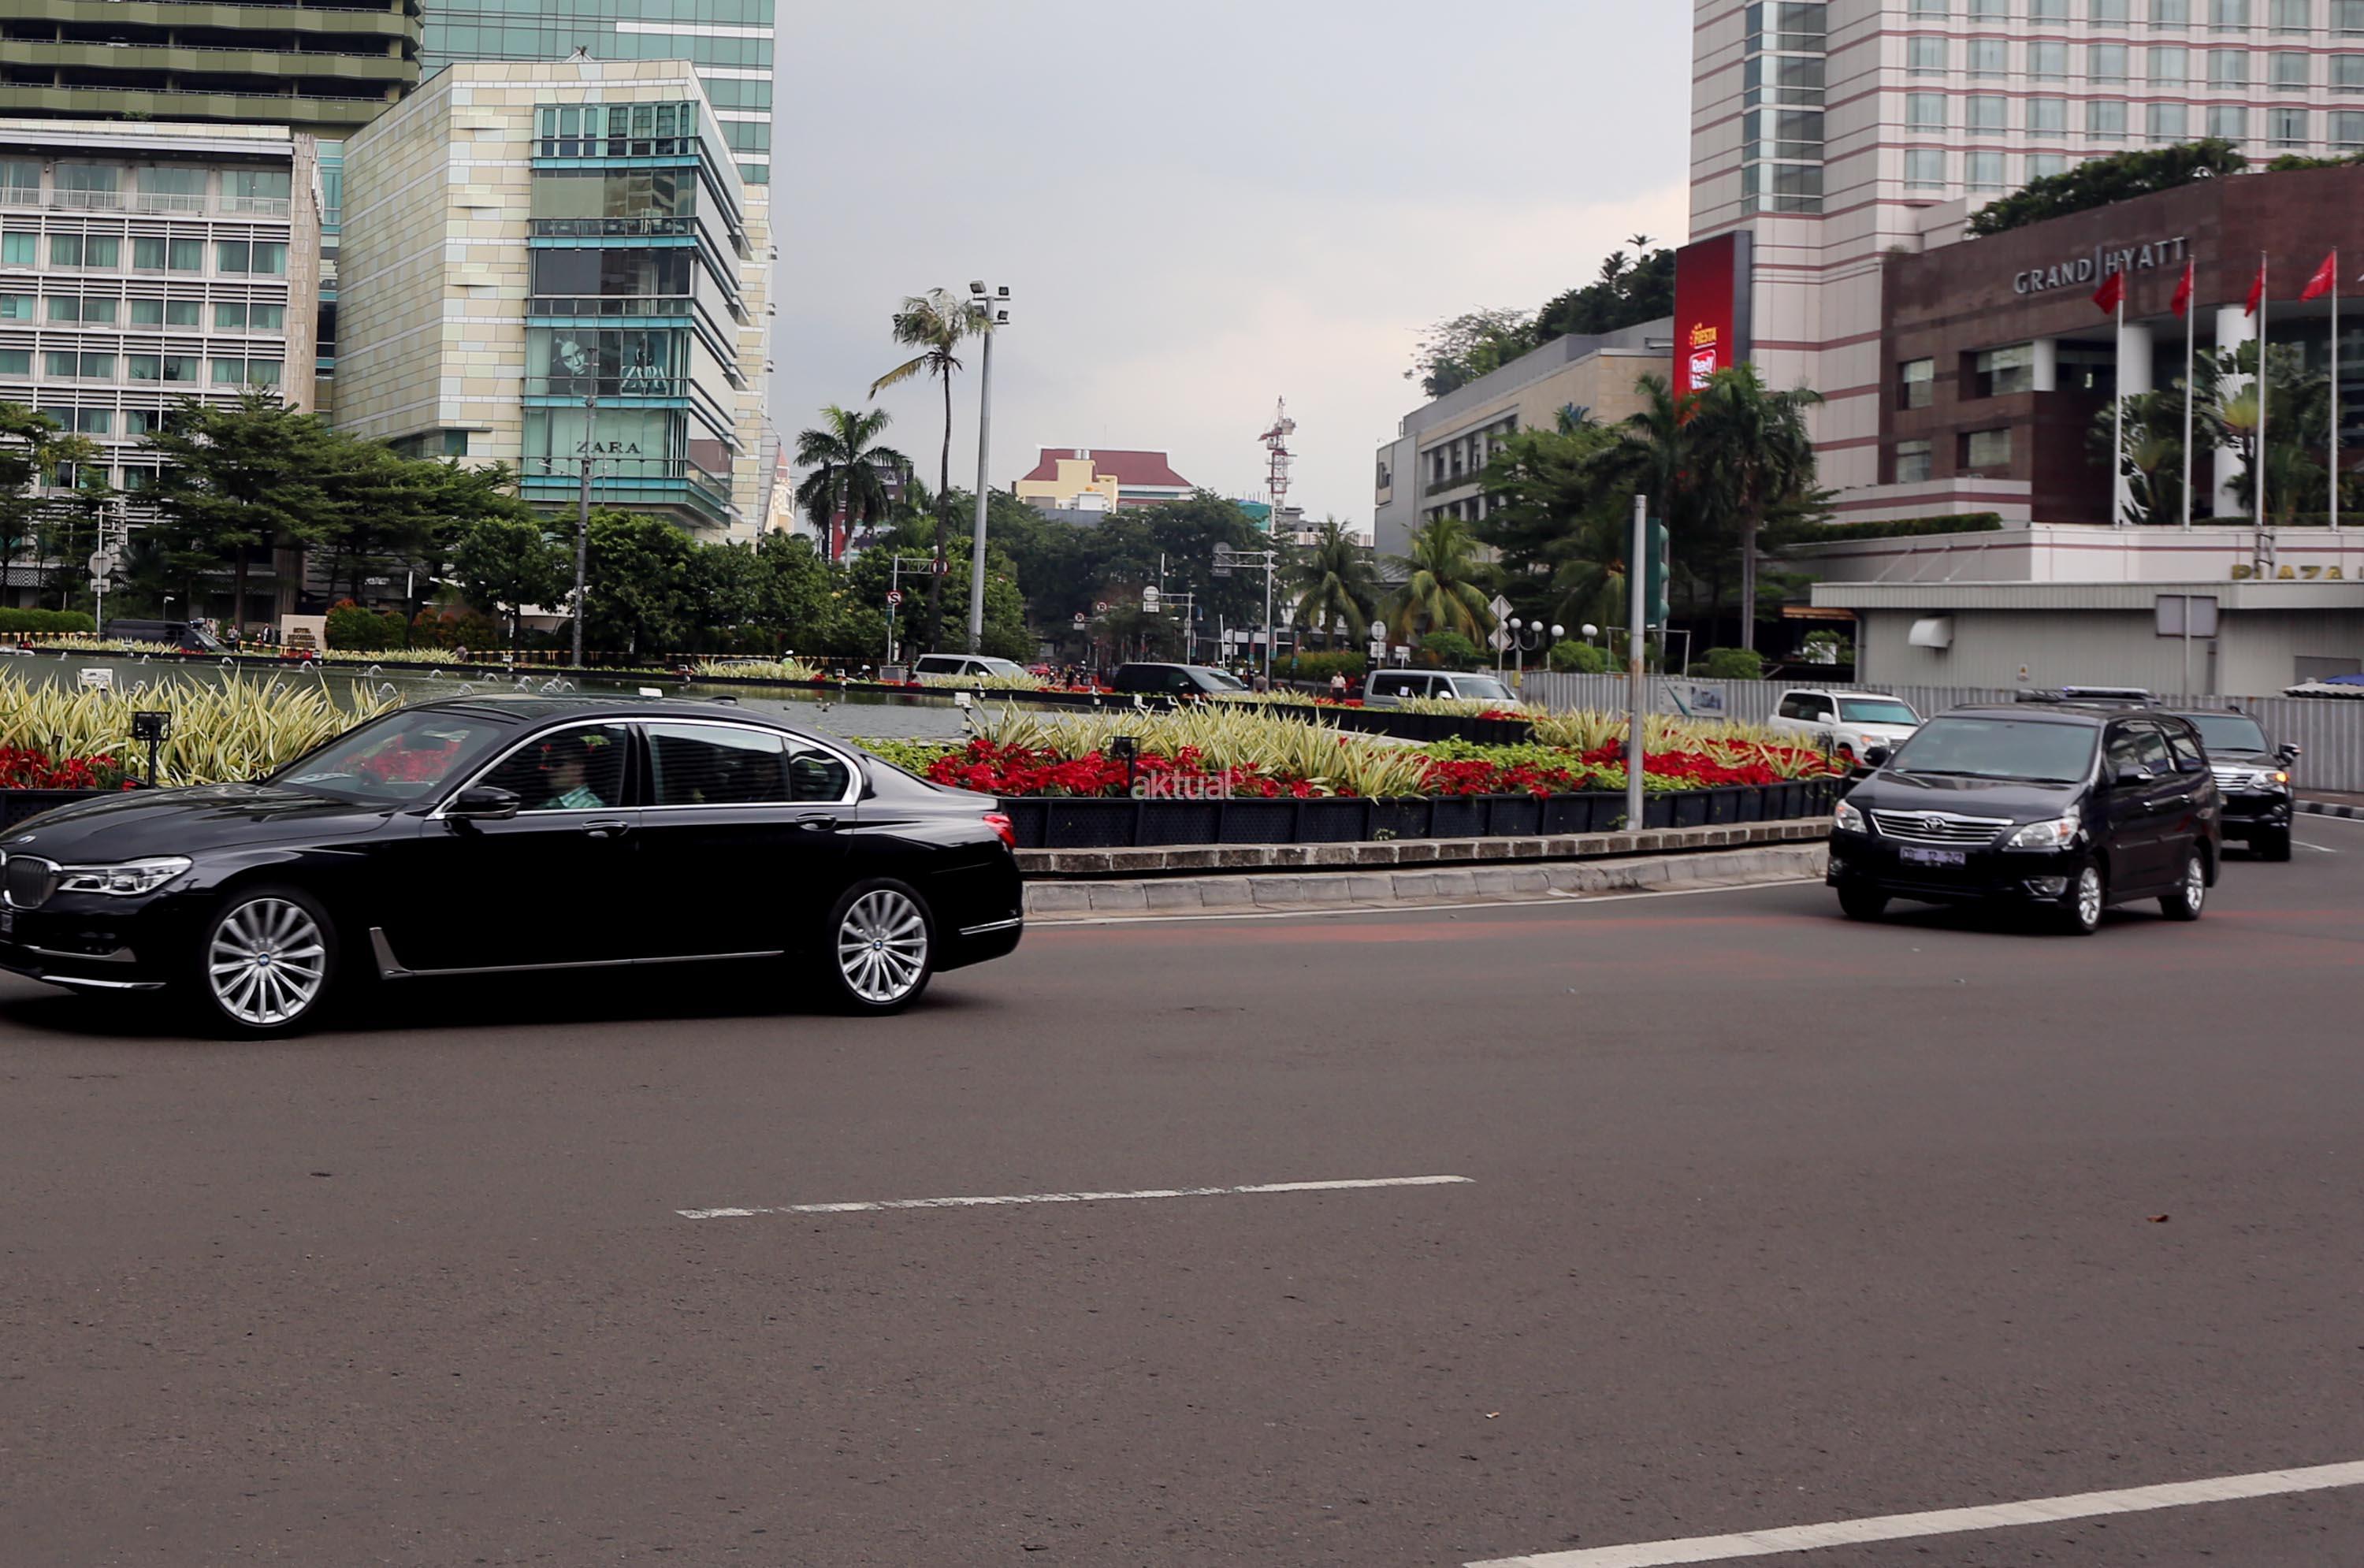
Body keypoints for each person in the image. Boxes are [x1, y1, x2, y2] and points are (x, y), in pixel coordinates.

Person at [541, 745, 608, 810]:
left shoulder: (592, 808)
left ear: (578, 767)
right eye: (547, 764)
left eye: (557, 763)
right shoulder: (550, 803)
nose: (549, 769)